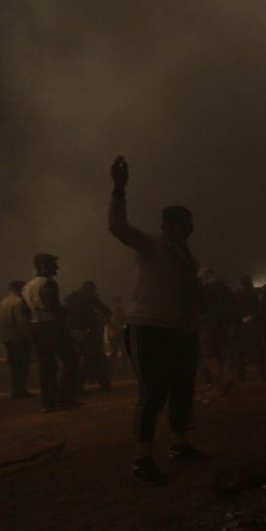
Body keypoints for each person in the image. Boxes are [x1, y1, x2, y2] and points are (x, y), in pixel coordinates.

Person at [108, 156, 207, 486]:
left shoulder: (187, 257)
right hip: (146, 328)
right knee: (152, 394)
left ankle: (179, 445)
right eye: (175, 225)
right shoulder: (152, 245)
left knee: (182, 390)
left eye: (184, 225)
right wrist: (119, 189)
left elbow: (188, 295)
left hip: (179, 332)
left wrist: (192, 324)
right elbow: (117, 228)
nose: (181, 230)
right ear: (168, 226)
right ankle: (142, 459)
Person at [23, 254, 80, 412]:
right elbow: (51, 305)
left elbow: (25, 311)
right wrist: (66, 311)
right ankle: (65, 399)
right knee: (70, 361)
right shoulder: (49, 283)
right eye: (53, 265)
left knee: (46, 366)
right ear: (43, 266)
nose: (56, 268)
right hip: (52, 326)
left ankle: (47, 403)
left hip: (36, 327)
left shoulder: (27, 286)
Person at [64, 280, 113, 392]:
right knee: (92, 358)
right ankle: (95, 384)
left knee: (78, 359)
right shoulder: (90, 297)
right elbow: (107, 310)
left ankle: (80, 385)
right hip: (88, 333)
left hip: (71, 333)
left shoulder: (70, 296)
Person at [198, 268, 236, 397]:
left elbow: (199, 306)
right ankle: (219, 387)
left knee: (209, 356)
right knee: (218, 355)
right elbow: (234, 308)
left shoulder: (206, 289)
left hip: (208, 324)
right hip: (224, 324)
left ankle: (224, 381)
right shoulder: (227, 290)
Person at [0, 280, 33, 399]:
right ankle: (20, 391)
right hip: (18, 338)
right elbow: (22, 322)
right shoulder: (18, 302)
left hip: (6, 337)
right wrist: (30, 336)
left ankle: (17, 390)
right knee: (22, 365)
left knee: (14, 365)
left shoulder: (5, 301)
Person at [232, 275, 261, 381]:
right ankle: (263, 372)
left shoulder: (238, 295)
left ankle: (241, 374)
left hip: (241, 326)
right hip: (252, 325)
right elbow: (258, 309)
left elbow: (234, 310)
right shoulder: (254, 294)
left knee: (241, 351)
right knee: (256, 349)